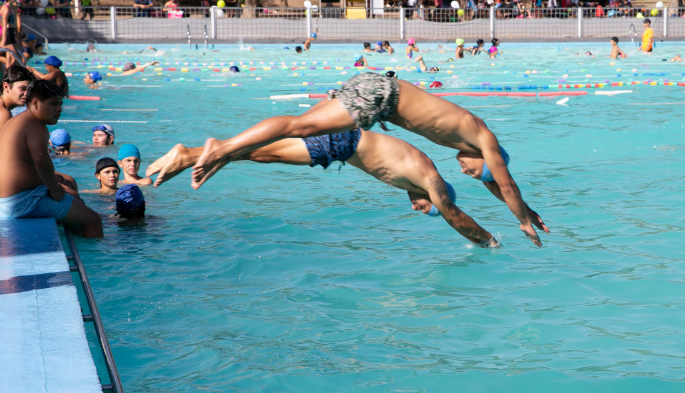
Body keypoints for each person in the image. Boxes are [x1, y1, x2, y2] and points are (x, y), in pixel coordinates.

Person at [184, 72, 548, 245]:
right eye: (475, 173)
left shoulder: (473, 142)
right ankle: (223, 149)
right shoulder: (486, 141)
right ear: (488, 160)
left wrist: (526, 210)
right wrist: (516, 225)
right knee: (301, 127)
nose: (465, 171)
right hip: (381, 96)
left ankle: (222, 153)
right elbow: (504, 184)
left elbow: (500, 188)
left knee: (294, 136)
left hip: (379, 102)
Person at [146, 129, 498, 247]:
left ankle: (199, 155)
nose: (416, 208)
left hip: (342, 145)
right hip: (342, 142)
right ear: (433, 197)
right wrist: (489, 242)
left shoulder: (417, 175)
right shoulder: (429, 179)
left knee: (265, 156)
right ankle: (190, 154)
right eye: (426, 208)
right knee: (266, 153)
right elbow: (457, 218)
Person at [0, 80, 103, 237]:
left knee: (71, 193)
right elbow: (41, 160)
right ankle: (94, 258)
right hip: (22, 202)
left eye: (60, 104)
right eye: (54, 104)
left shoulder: (14, 121)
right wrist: (55, 190)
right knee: (93, 220)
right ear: (35, 102)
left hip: (8, 201)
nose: (59, 109)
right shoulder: (35, 124)